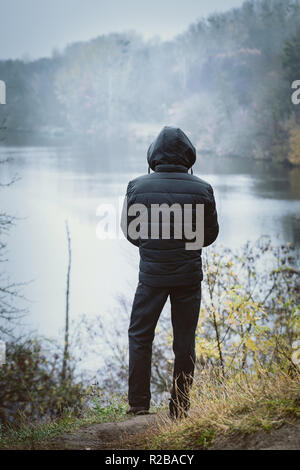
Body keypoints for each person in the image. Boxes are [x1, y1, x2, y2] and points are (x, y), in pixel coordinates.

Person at [121, 126, 219, 419]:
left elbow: (130, 232)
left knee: (140, 335)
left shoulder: (137, 187)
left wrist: (153, 245)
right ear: (189, 156)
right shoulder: (202, 189)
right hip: (188, 277)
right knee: (184, 339)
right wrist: (187, 244)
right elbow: (210, 234)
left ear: (152, 156)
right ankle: (180, 407)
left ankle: (139, 404)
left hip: (151, 277)